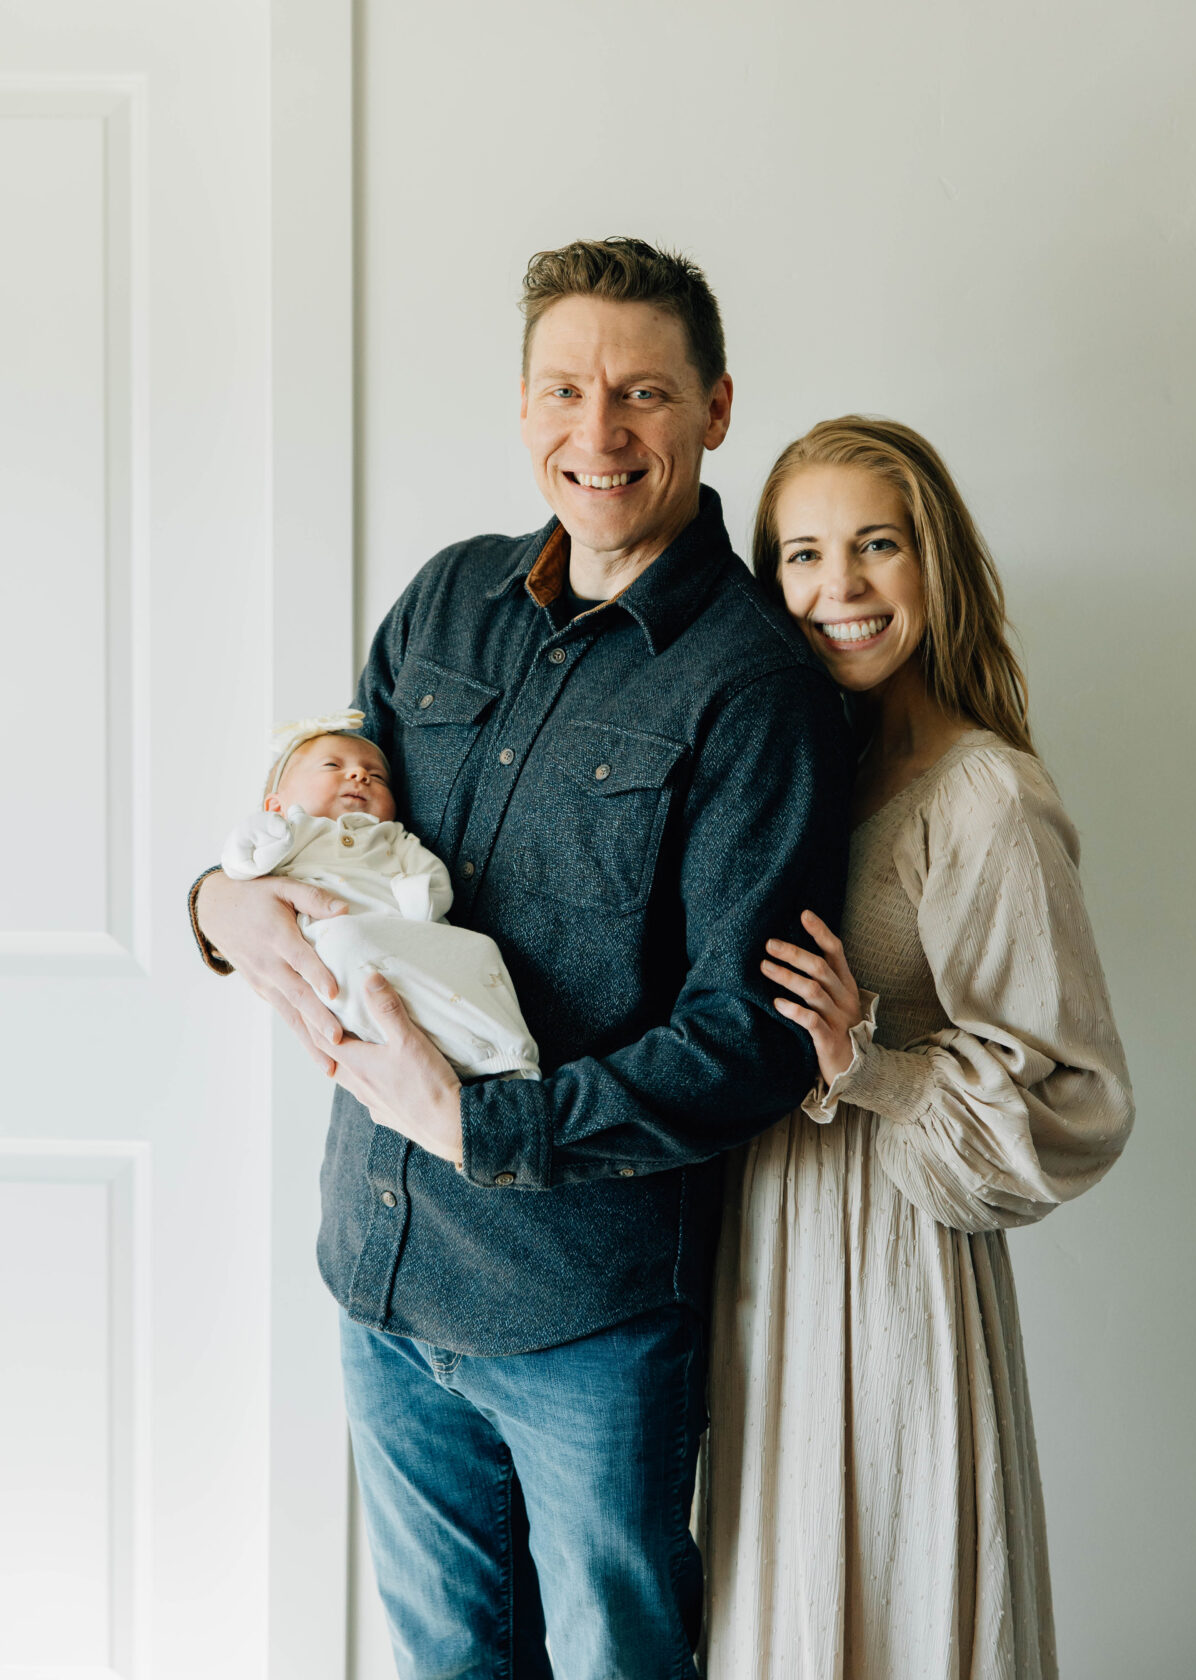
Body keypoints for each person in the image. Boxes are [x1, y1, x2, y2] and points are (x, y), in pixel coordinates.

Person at [189, 237, 853, 1678]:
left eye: (643, 394)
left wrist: (489, 1122)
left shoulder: (757, 691)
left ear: (717, 408)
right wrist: (212, 902)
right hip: (378, 1263)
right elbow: (318, 821)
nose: (597, 432)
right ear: (523, 402)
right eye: (564, 387)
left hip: (587, 1316)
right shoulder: (443, 599)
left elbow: (752, 1033)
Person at [701, 417, 1135, 1680]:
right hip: (763, 1250)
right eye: (801, 555)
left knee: (889, 1601)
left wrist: (869, 1058)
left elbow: (1076, 1097)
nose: (837, 589)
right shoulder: (800, 769)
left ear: (932, 563)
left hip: (890, 1269)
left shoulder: (984, 798)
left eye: (875, 546)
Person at [220, 711, 539, 1078]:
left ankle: (504, 1050)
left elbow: (432, 882)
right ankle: (424, 1055)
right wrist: (267, 837)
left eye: (377, 776)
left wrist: (416, 895)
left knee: (480, 950)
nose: (359, 775)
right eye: (332, 765)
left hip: (405, 935)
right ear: (276, 804)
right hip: (334, 938)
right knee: (346, 944)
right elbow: (240, 861)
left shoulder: (392, 839)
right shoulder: (290, 832)